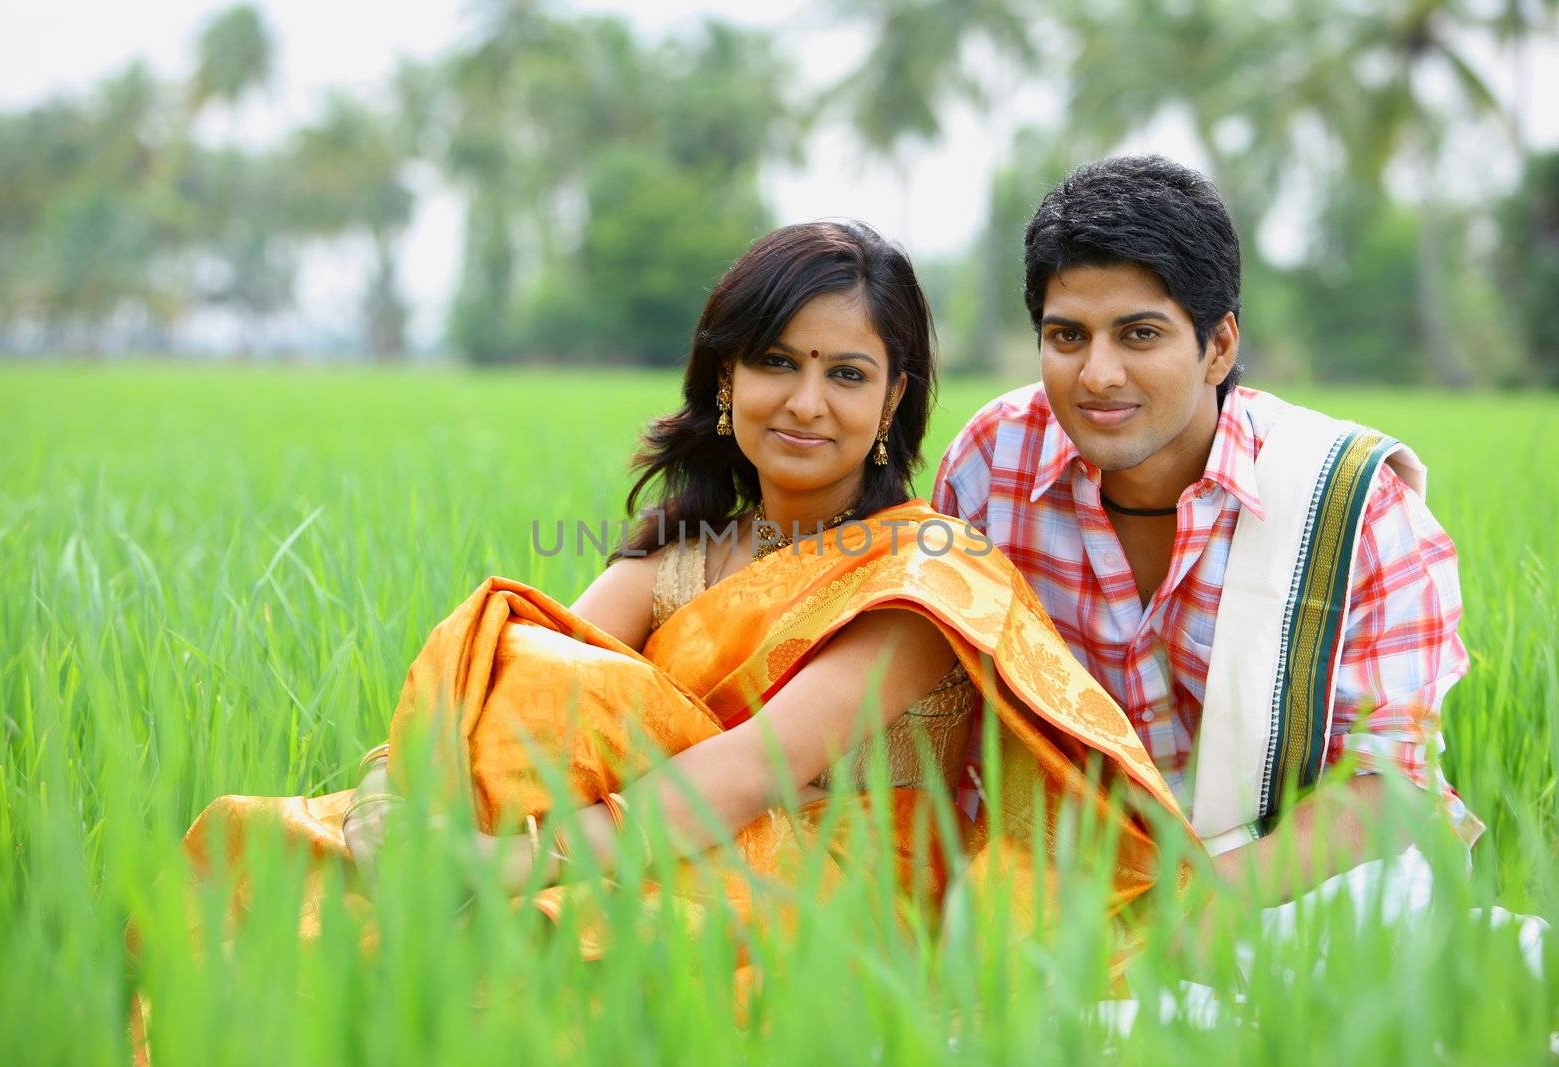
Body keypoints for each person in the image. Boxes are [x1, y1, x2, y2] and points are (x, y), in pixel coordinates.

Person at [178, 220, 1189, 954]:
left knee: (512, 943)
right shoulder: (682, 550)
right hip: (646, 846)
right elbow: (522, 687)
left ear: (894, 400)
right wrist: (402, 790)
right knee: (308, 835)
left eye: (845, 373)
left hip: (824, 900)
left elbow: (750, 771)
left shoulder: (924, 575)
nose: (803, 401)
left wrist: (509, 863)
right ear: (723, 380)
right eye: (775, 362)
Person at [932, 156, 1481, 912]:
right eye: (1067, 335)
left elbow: (1387, 784)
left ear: (1218, 346)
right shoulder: (992, 464)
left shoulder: (1353, 500)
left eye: (1140, 334)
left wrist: (1177, 919)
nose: (1097, 374)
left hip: (1291, 882)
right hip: (1067, 883)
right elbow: (953, 720)